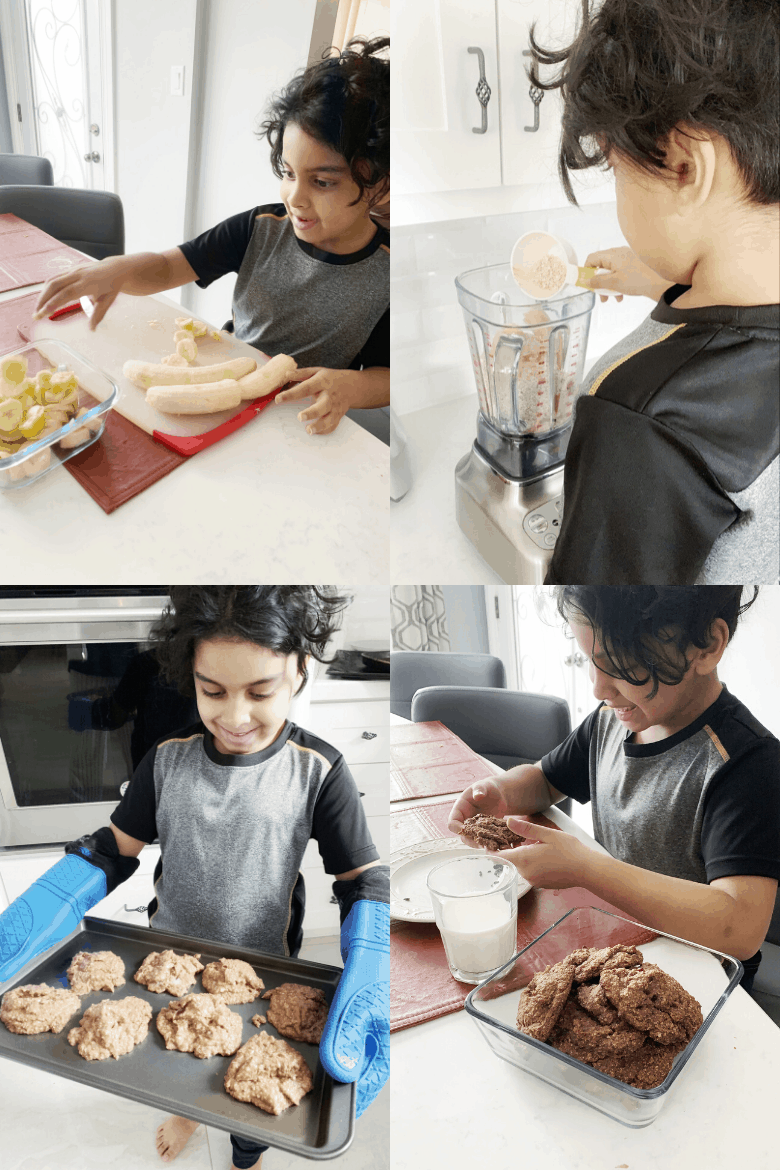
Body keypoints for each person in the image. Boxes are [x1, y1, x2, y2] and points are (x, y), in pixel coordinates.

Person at [0, 586, 389, 1170]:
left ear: (299, 672)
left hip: (262, 963)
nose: (234, 717)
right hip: (166, 954)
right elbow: (112, 850)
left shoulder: (320, 770)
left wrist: (373, 955)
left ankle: (244, 1156)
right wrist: (52, 897)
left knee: (251, 1106)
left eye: (261, 692)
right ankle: (188, 1111)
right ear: (193, 680)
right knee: (185, 1064)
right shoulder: (166, 759)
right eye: (213, 692)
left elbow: (362, 880)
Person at [521, 0, 779, 582]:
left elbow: (594, 603)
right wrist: (668, 281)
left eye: (614, 167)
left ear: (684, 168)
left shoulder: (639, 416)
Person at [33, 37, 390, 440]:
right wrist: (120, 270)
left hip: (301, 417)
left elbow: (388, 374)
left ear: (380, 184)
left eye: (322, 181)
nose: (295, 198)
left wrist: (352, 387)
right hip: (233, 379)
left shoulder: (389, 273)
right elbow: (171, 266)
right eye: (288, 174)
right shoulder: (261, 227)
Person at [448, 586, 780, 994]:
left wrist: (586, 868)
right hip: (617, 950)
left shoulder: (747, 763)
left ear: (706, 645)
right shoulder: (611, 721)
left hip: (701, 982)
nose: (599, 689)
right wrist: (502, 790)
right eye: (592, 661)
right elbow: (546, 779)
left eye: (621, 665)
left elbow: (737, 928)